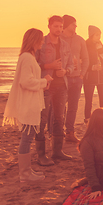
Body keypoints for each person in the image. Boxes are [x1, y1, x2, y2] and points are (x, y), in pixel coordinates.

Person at [3, 28, 53, 182]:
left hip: (31, 102)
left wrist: (43, 83)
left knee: (28, 137)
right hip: (28, 104)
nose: (43, 42)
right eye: (40, 39)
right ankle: (24, 174)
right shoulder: (27, 57)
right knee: (27, 138)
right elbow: (25, 82)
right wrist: (45, 81)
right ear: (34, 40)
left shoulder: (28, 57)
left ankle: (27, 171)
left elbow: (28, 80)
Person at [36, 15, 75, 164]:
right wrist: (49, 66)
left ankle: (57, 152)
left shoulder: (65, 45)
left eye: (60, 27)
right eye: (55, 26)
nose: (58, 29)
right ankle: (41, 155)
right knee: (42, 119)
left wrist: (66, 72)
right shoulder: (42, 44)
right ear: (49, 26)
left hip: (62, 86)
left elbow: (71, 65)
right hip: (45, 86)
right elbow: (34, 64)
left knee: (59, 119)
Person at [61, 15, 89, 143]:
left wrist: (82, 74)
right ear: (66, 25)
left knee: (73, 106)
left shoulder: (80, 40)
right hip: (62, 78)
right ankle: (56, 132)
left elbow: (86, 58)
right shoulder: (58, 39)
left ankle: (70, 132)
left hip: (76, 78)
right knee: (59, 106)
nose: (76, 26)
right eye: (73, 24)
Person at [84, 25, 103, 124]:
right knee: (89, 101)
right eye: (97, 35)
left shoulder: (102, 47)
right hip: (89, 77)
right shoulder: (85, 46)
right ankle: (87, 119)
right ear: (91, 35)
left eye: (100, 35)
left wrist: (101, 51)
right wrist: (92, 68)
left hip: (102, 77)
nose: (99, 37)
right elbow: (83, 62)